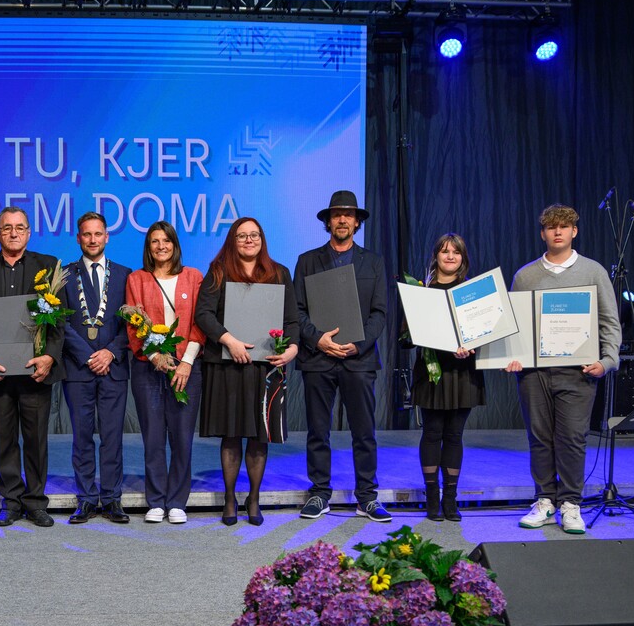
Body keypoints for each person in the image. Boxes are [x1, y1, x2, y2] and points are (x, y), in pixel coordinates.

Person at [509, 204, 621, 534]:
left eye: (564, 226)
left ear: (574, 231)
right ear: (543, 233)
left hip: (578, 372)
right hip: (534, 374)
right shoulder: (525, 276)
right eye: (551, 227)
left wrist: (607, 360)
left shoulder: (593, 272)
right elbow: (515, 326)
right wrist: (512, 356)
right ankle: (545, 501)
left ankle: (571, 504)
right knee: (539, 438)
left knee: (572, 438)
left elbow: (609, 321)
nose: (557, 232)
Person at [0, 206, 65, 528]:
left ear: (29, 232)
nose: (13, 233)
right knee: (4, 439)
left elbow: (59, 319)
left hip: (36, 371)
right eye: (7, 228)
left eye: (20, 227)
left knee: (36, 440)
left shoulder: (48, 266)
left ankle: (35, 503)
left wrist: (50, 356)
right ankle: (11, 502)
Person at [293, 190, 390, 522]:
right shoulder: (307, 260)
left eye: (348, 215)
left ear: (357, 221)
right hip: (318, 357)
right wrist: (318, 339)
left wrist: (358, 344)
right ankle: (320, 493)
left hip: (357, 359)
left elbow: (379, 313)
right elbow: (297, 310)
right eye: (337, 215)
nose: (343, 220)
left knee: (364, 432)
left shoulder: (373, 262)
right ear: (329, 221)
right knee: (317, 431)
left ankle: (367, 497)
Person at [195, 217, 299, 526]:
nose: (249, 240)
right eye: (242, 236)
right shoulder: (218, 271)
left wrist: (292, 349)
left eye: (254, 235)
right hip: (228, 365)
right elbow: (203, 314)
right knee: (231, 435)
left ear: (262, 239)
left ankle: (253, 498)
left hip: (265, 366)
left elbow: (291, 320)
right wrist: (230, 341)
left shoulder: (279, 273)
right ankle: (229, 498)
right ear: (233, 240)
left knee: (258, 436)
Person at [125, 221, 206, 524]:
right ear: (148, 247)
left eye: (166, 241)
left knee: (182, 437)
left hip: (186, 367)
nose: (161, 246)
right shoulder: (137, 279)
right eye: (155, 241)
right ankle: (156, 500)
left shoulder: (193, 277)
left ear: (175, 244)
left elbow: (200, 322)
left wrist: (187, 361)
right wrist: (154, 355)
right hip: (148, 369)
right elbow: (133, 324)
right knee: (153, 436)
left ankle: (177, 502)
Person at [406, 234, 485, 522]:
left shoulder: (472, 293)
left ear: (463, 258)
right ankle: (431, 497)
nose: (450, 256)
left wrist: (473, 344)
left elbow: (486, 331)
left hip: (463, 373)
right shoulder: (421, 291)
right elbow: (406, 337)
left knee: (454, 436)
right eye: (445, 251)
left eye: (456, 252)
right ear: (436, 256)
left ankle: (450, 498)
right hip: (432, 374)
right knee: (432, 433)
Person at [61, 211, 132, 524]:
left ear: (107, 237)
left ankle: (112, 498)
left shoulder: (126, 275)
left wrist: (110, 353)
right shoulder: (63, 275)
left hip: (113, 367)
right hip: (78, 369)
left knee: (113, 436)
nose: (92, 240)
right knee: (82, 437)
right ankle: (87, 498)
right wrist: (89, 355)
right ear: (79, 238)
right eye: (86, 234)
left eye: (98, 234)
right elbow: (60, 324)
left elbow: (132, 323)